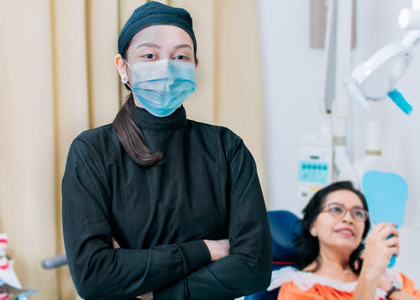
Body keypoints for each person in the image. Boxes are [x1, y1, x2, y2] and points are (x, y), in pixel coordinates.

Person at [61, 2, 272, 299]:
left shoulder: (226, 148)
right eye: (150, 55)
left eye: (181, 56)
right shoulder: (92, 152)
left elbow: (254, 268)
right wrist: (208, 250)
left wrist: (155, 293)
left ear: (194, 67)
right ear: (123, 67)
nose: (167, 65)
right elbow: (94, 276)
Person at [269, 181, 420, 299]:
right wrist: (369, 275)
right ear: (313, 225)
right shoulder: (299, 290)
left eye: (358, 213)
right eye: (335, 209)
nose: (348, 219)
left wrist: (387, 285)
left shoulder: (385, 275)